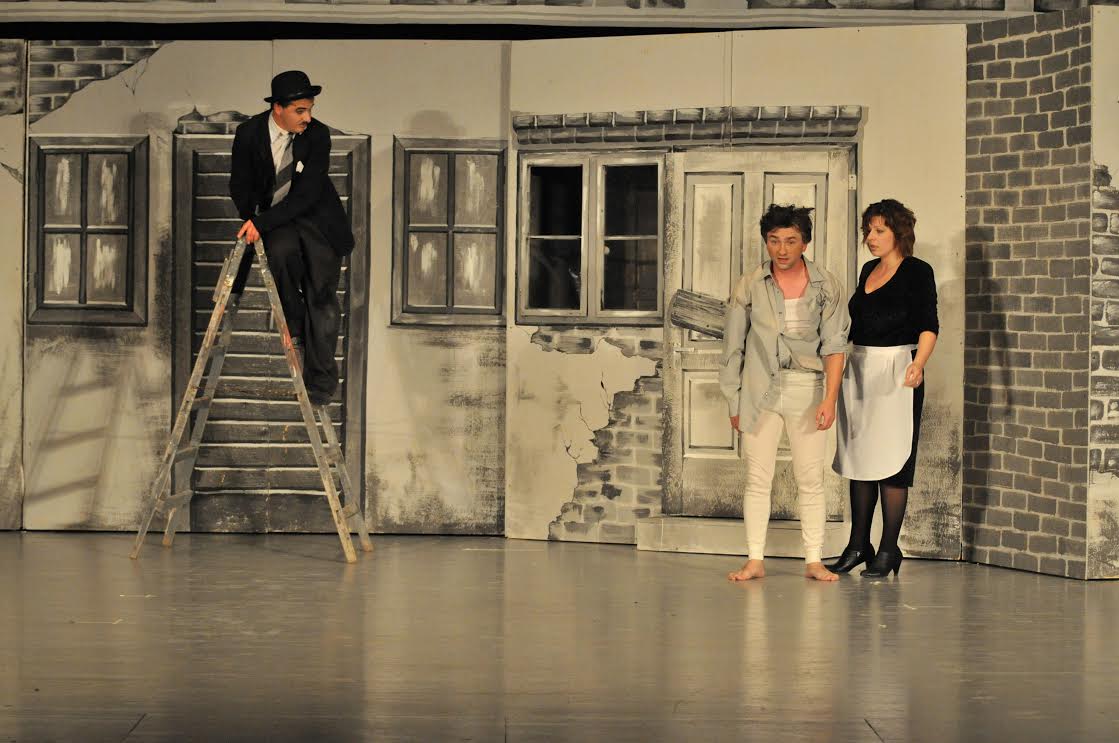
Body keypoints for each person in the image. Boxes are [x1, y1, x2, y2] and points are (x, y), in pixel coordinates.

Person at [719, 204, 850, 583]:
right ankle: (754, 560)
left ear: (805, 243)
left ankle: (814, 560)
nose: (781, 249)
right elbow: (732, 347)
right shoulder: (750, 284)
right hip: (759, 390)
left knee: (810, 478)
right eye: (774, 240)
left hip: (807, 388)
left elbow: (835, 346)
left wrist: (830, 398)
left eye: (791, 241)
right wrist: (734, 400)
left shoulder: (827, 285)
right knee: (757, 478)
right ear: (766, 241)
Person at [229, 70, 354, 406]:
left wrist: (262, 222)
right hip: (278, 221)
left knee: (322, 300)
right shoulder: (248, 134)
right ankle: (295, 329)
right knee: (280, 257)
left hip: (318, 222)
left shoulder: (318, 135)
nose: (307, 117)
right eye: (300, 110)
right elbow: (239, 185)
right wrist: (253, 219)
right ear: (278, 109)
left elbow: (307, 194)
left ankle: (321, 385)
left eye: (309, 109)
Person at [829, 199, 938, 578]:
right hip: (859, 370)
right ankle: (859, 545)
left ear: (899, 232)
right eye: (868, 231)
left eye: (879, 231)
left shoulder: (918, 271)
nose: (871, 238)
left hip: (897, 371)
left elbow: (928, 324)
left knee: (893, 460)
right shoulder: (867, 270)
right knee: (859, 459)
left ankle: (890, 549)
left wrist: (918, 364)